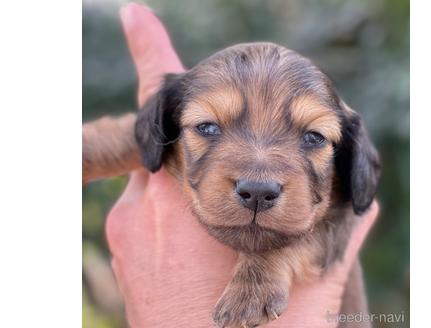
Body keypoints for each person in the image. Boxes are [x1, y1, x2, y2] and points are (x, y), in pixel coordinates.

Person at [105, 3, 379, 327]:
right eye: (208, 127)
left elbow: (343, 219)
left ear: (350, 155)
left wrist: (270, 265)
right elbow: (127, 142)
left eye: (314, 137)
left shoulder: (335, 196)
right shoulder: (162, 128)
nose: (259, 182)